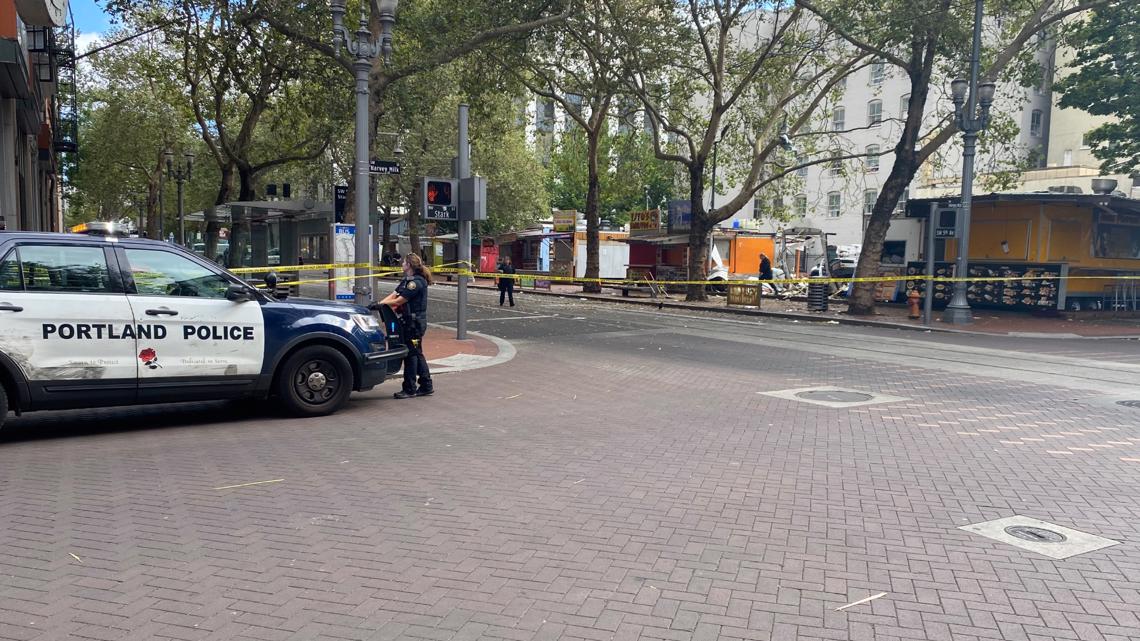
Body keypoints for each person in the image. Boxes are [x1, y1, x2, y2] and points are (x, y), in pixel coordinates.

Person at [379, 254, 434, 399]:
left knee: (411, 355)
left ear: (409, 265)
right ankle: (426, 385)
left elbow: (399, 301)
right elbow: (394, 295)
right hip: (409, 323)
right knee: (416, 353)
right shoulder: (406, 281)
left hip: (414, 326)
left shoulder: (416, 283)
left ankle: (410, 389)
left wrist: (382, 304)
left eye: (404, 262)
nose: (402, 264)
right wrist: (380, 304)